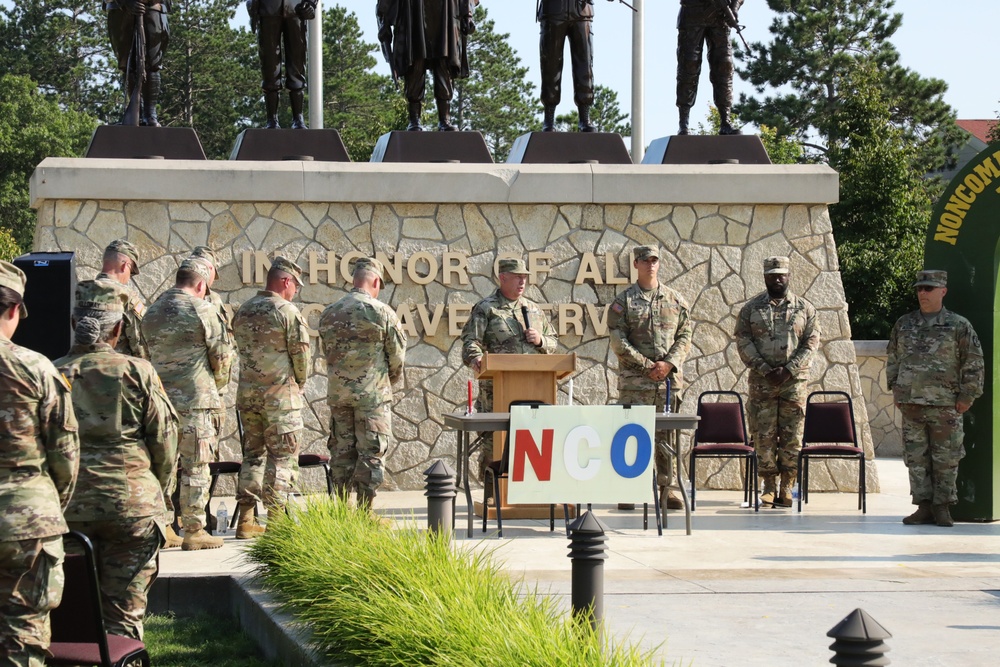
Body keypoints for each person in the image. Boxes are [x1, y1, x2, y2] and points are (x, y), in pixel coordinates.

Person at [54, 281, 177, 640]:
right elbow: (165, 442)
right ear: (119, 328)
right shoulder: (138, 372)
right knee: (123, 621)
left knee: (70, 619)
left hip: (69, 511)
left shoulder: (50, 373)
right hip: (132, 510)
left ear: (75, 322)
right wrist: (159, 491)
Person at [0, 261, 80, 666]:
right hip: (26, 522)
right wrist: (48, 507)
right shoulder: (37, 369)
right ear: (14, 310)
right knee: (24, 642)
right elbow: (65, 456)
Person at [142, 258, 232, 550]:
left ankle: (165, 525)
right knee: (196, 464)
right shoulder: (203, 309)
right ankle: (194, 530)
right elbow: (221, 357)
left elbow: (144, 352)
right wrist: (216, 388)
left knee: (163, 464)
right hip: (195, 399)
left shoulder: (151, 311)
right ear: (201, 284)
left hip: (159, 401)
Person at [887, 270, 984, 528]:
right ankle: (924, 506)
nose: (923, 293)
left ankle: (942, 507)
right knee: (916, 458)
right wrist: (896, 389)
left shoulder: (958, 325)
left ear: (943, 291)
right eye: (919, 288)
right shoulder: (904, 324)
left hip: (946, 405)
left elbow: (973, 363)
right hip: (911, 404)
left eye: (928, 289)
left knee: (946, 458)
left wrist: (967, 396)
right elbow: (893, 358)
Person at [460, 258, 557, 495]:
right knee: (495, 444)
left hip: (533, 390)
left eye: (525, 277)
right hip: (497, 391)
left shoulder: (534, 310)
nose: (522, 281)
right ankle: (493, 493)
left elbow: (553, 342)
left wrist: (541, 340)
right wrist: (477, 360)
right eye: (517, 276)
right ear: (502, 278)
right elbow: (470, 342)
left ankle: (528, 494)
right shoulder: (487, 308)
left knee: (531, 441)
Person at [608, 246, 694, 511]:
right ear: (636, 264)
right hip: (636, 385)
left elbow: (685, 335)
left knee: (666, 438)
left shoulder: (676, 300)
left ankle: (667, 490)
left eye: (654, 260)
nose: (650, 265)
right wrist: (647, 366)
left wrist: (668, 364)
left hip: (667, 385)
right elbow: (617, 341)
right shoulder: (623, 303)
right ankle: (628, 489)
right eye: (645, 260)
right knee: (632, 437)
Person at [232, 257, 311, 538]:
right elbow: (301, 356)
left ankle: (246, 519)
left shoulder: (243, 311)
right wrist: (299, 382)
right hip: (280, 399)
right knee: (282, 457)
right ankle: (277, 522)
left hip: (248, 396)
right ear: (285, 281)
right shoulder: (287, 311)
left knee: (252, 455)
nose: (295, 292)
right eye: (295, 286)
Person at [318, 257, 406, 510]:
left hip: (340, 396)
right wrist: (386, 382)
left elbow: (327, 351)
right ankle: (365, 512)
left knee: (342, 453)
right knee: (371, 453)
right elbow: (397, 357)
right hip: (372, 398)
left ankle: (341, 511)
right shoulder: (381, 312)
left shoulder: (329, 312)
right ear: (375, 281)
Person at [735, 256, 820, 508]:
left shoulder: (805, 309)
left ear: (789, 276)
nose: (777, 279)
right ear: (765, 277)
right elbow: (743, 341)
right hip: (762, 383)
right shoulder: (751, 310)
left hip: (793, 384)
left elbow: (811, 344)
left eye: (781, 274)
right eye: (772, 275)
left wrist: (790, 370)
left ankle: (787, 486)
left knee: (792, 436)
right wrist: (764, 368)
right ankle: (769, 486)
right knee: (763, 436)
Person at [376, 0, 476, 131]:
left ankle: (444, 118)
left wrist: (468, 13)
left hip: (445, 12)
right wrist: (384, 16)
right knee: (415, 63)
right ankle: (414, 119)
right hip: (413, 10)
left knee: (443, 64)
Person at [676, 0, 744, 135]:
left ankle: (726, 121)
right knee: (689, 65)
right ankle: (683, 123)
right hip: (692, 13)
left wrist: (734, 8)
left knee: (724, 65)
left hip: (719, 16)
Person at [246, 0, 317, 129]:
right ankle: (271, 119)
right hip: (268, 9)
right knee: (269, 64)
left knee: (297, 62)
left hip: (296, 9)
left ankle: (298, 117)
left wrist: (312, 3)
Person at [105, 0, 171, 126]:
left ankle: (150, 114)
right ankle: (136, 113)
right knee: (126, 63)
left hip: (154, 8)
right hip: (120, 9)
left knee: (153, 63)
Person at [538, 0, 596, 132]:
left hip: (581, 12)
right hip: (553, 11)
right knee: (550, 66)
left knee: (585, 64)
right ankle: (549, 118)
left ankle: (584, 116)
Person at [95, 239, 149, 360]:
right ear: (125, 266)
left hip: (83, 371)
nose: (129, 278)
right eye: (131, 272)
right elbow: (138, 342)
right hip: (118, 371)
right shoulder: (126, 296)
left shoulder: (82, 290)